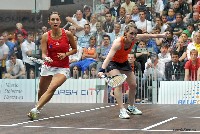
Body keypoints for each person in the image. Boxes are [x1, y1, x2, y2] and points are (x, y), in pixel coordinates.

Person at [98, 22, 166, 119]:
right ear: (125, 33)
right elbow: (108, 58)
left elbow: (150, 35)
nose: (133, 36)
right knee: (118, 83)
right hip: (113, 63)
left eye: (135, 33)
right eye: (131, 33)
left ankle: (131, 107)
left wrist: (162, 35)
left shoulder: (135, 38)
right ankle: (122, 110)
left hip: (124, 62)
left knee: (133, 85)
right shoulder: (118, 43)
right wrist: (101, 70)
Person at [28, 12, 77, 119]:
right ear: (49, 22)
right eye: (53, 20)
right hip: (48, 67)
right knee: (41, 90)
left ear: (60, 21)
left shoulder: (67, 34)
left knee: (52, 87)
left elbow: (74, 49)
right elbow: (44, 53)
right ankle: (39, 107)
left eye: (57, 20)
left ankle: (35, 109)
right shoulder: (45, 36)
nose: (55, 21)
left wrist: (65, 54)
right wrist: (46, 58)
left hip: (62, 68)